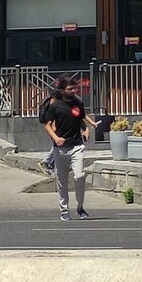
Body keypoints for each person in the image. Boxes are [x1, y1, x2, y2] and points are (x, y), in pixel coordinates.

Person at [43, 75, 99, 221]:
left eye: (74, 88)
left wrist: (86, 129)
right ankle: (64, 210)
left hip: (76, 146)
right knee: (62, 181)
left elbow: (80, 119)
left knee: (79, 176)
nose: (73, 91)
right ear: (62, 90)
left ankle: (80, 208)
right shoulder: (55, 106)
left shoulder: (77, 103)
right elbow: (47, 126)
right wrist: (55, 138)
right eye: (70, 89)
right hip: (60, 148)